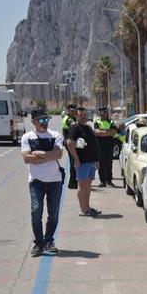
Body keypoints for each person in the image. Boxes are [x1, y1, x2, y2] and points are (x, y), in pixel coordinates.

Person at [21, 112, 75, 256]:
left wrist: (38, 153)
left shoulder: (55, 135)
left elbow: (58, 155)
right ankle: (38, 244)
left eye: (46, 119)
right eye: (41, 120)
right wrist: (48, 155)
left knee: (53, 213)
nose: (45, 122)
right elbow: (27, 158)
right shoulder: (27, 137)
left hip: (54, 181)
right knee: (36, 210)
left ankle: (49, 241)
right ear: (33, 122)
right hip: (36, 181)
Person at [65, 106, 102, 216]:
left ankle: (88, 207)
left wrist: (96, 160)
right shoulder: (75, 128)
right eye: (80, 115)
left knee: (88, 184)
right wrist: (76, 159)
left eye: (84, 115)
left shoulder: (88, 128)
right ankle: (83, 209)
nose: (83, 117)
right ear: (76, 116)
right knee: (82, 184)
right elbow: (69, 142)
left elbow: (94, 144)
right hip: (82, 162)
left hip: (91, 161)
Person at [92, 108, 119, 187]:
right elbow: (97, 132)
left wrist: (102, 132)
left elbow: (113, 132)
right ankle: (102, 181)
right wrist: (108, 132)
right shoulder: (97, 122)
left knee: (109, 164)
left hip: (109, 146)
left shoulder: (111, 122)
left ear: (107, 113)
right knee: (101, 164)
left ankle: (109, 181)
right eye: (101, 113)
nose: (103, 114)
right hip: (100, 146)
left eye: (104, 113)